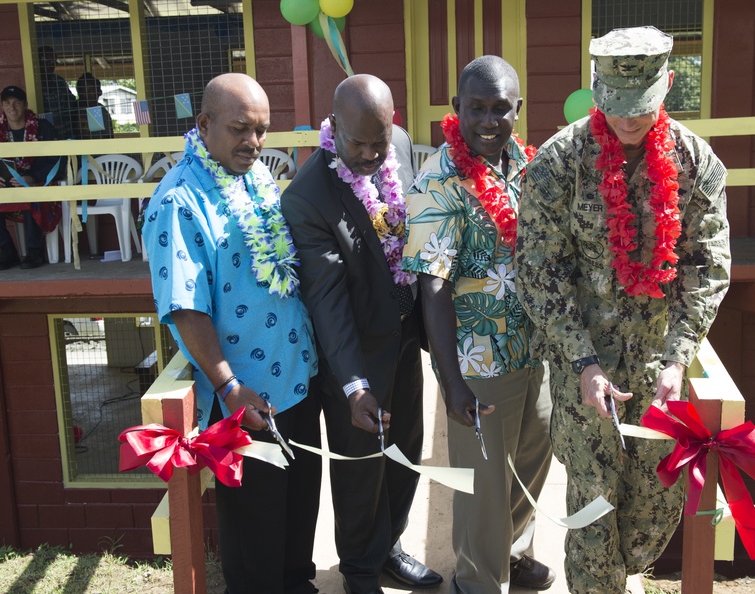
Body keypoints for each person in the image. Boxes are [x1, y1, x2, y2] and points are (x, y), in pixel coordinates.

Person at [515, 26, 731, 594]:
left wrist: (677, 360)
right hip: (583, 371)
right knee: (594, 513)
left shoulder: (695, 163)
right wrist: (582, 362)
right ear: (594, 89)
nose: (628, 121)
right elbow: (539, 271)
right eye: (616, 108)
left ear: (668, 87)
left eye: (641, 108)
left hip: (660, 370)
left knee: (648, 521)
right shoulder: (559, 163)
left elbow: (706, 269)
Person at [142, 73, 322, 594]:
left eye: (262, 131)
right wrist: (227, 387)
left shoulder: (257, 176)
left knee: (299, 507)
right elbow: (185, 307)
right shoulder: (178, 201)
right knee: (255, 528)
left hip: (297, 378)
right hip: (243, 398)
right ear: (204, 124)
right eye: (241, 128)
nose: (254, 143)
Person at [281, 74, 442, 594]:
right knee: (360, 465)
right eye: (359, 143)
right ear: (334, 127)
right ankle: (359, 569)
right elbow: (326, 301)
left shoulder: (393, 144)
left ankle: (388, 547)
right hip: (352, 352)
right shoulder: (308, 197)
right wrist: (353, 384)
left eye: (381, 139)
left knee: (406, 448)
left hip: (401, 338)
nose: (374, 153)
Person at [401, 56, 555, 594]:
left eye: (500, 109)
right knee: (485, 485)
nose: (489, 121)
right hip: (479, 357)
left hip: (535, 346)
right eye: (476, 108)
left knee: (533, 461)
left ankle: (510, 555)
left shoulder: (527, 165)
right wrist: (452, 380)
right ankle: (478, 582)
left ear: (518, 110)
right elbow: (433, 285)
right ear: (456, 110)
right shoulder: (438, 180)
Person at [0, 85, 62, 270]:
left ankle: (34, 251)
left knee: (31, 197)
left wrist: (32, 178)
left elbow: (57, 162)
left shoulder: (43, 128)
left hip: (38, 184)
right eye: (7, 103)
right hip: (8, 186)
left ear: (25, 105)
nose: (12, 108)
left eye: (17, 103)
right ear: (2, 106)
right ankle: (7, 250)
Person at [37, 46, 77, 140]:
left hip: (65, 133)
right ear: (38, 62)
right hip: (44, 136)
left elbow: (71, 103)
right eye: (48, 61)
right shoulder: (32, 84)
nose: (52, 65)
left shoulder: (59, 82)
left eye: (54, 62)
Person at [73, 72, 114, 140]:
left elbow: (105, 138)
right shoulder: (73, 109)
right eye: (83, 90)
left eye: (91, 90)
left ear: (99, 92)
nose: (86, 94)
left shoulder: (98, 111)